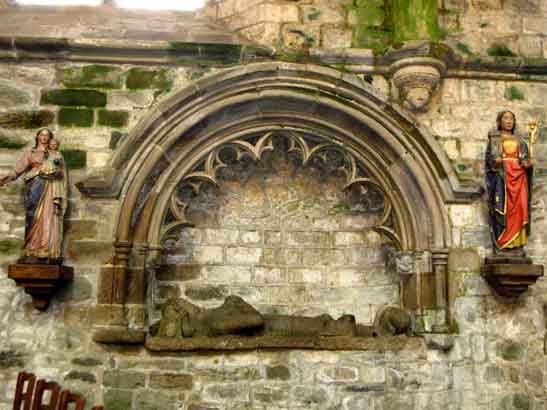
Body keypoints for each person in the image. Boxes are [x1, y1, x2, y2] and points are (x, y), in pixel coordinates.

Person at [0, 128, 67, 263]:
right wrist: (5, 178)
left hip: (51, 188)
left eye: (47, 135)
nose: (44, 137)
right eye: (41, 135)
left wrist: (55, 172)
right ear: (37, 137)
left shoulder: (55, 154)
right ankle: (31, 249)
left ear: (50, 138)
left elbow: (61, 172)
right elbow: (18, 170)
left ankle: (48, 250)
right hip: (35, 187)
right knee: (33, 217)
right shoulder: (30, 153)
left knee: (49, 217)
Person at [485, 111, 533, 253]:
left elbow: (524, 159)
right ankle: (502, 242)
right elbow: (490, 162)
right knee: (502, 208)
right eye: (505, 118)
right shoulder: (495, 139)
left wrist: (528, 164)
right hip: (502, 177)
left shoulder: (520, 141)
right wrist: (495, 162)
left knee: (519, 207)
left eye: (511, 118)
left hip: (519, 178)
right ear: (499, 122)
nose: (509, 121)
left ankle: (517, 244)